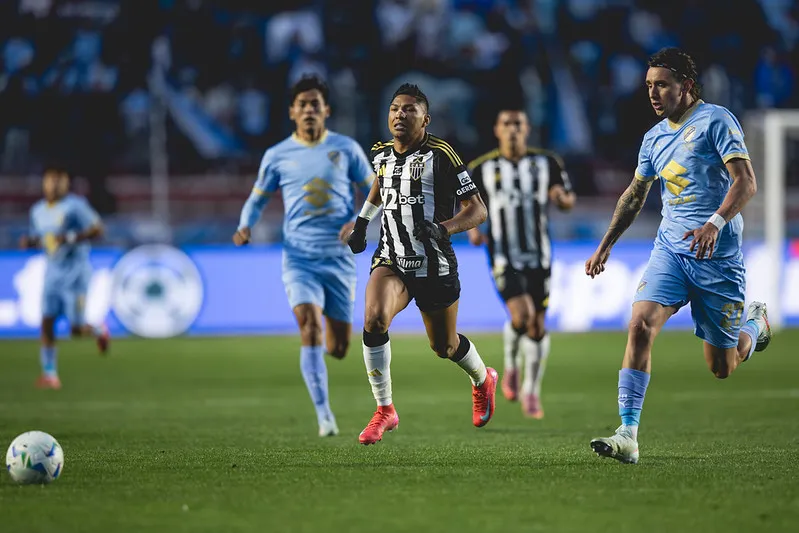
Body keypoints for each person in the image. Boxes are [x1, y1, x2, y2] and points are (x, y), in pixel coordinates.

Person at [584, 48, 772, 464]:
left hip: (717, 256)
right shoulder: (653, 138)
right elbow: (635, 195)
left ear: (686, 85)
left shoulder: (716, 120)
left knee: (721, 366)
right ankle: (627, 434)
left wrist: (715, 223)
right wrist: (606, 243)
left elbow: (746, 182)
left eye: (662, 85)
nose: (653, 93)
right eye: (649, 85)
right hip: (670, 251)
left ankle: (754, 327)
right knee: (639, 326)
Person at [346, 83, 497, 446]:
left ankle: (482, 379)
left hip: (435, 265)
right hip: (391, 258)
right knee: (374, 319)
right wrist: (363, 223)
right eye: (395, 108)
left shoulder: (442, 155)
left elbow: (478, 210)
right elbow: (381, 186)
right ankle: (385, 409)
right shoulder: (381, 154)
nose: (400, 114)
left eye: (410, 109)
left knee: (444, 347)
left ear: (425, 119)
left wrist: (444, 228)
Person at [234, 75, 375, 437]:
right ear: (292, 112)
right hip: (299, 258)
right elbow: (258, 197)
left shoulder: (346, 149)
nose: (309, 110)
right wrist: (245, 225)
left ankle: (320, 363)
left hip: (340, 260)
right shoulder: (278, 154)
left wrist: (359, 223)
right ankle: (324, 415)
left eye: (315, 104)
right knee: (308, 325)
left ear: (326, 110)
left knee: (339, 347)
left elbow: (376, 188)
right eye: (303, 104)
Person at [467, 107, 576, 419]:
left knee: (538, 326)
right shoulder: (481, 168)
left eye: (518, 124)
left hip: (539, 255)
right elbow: (468, 206)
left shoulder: (548, 163)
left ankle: (531, 391)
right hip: (503, 254)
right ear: (497, 130)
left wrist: (561, 199)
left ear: (527, 129)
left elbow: (568, 199)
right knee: (522, 315)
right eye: (507, 124)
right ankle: (511, 364)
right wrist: (473, 230)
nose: (513, 129)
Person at [19, 167, 109, 389]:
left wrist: (70, 237)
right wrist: (31, 242)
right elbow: (45, 240)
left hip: (75, 273)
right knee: (46, 322)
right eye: (51, 182)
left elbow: (98, 230)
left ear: (66, 185)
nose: (54, 186)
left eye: (59, 182)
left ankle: (98, 330)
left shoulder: (75, 206)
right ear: (44, 184)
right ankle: (50, 374)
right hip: (52, 273)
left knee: (76, 330)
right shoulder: (38, 210)